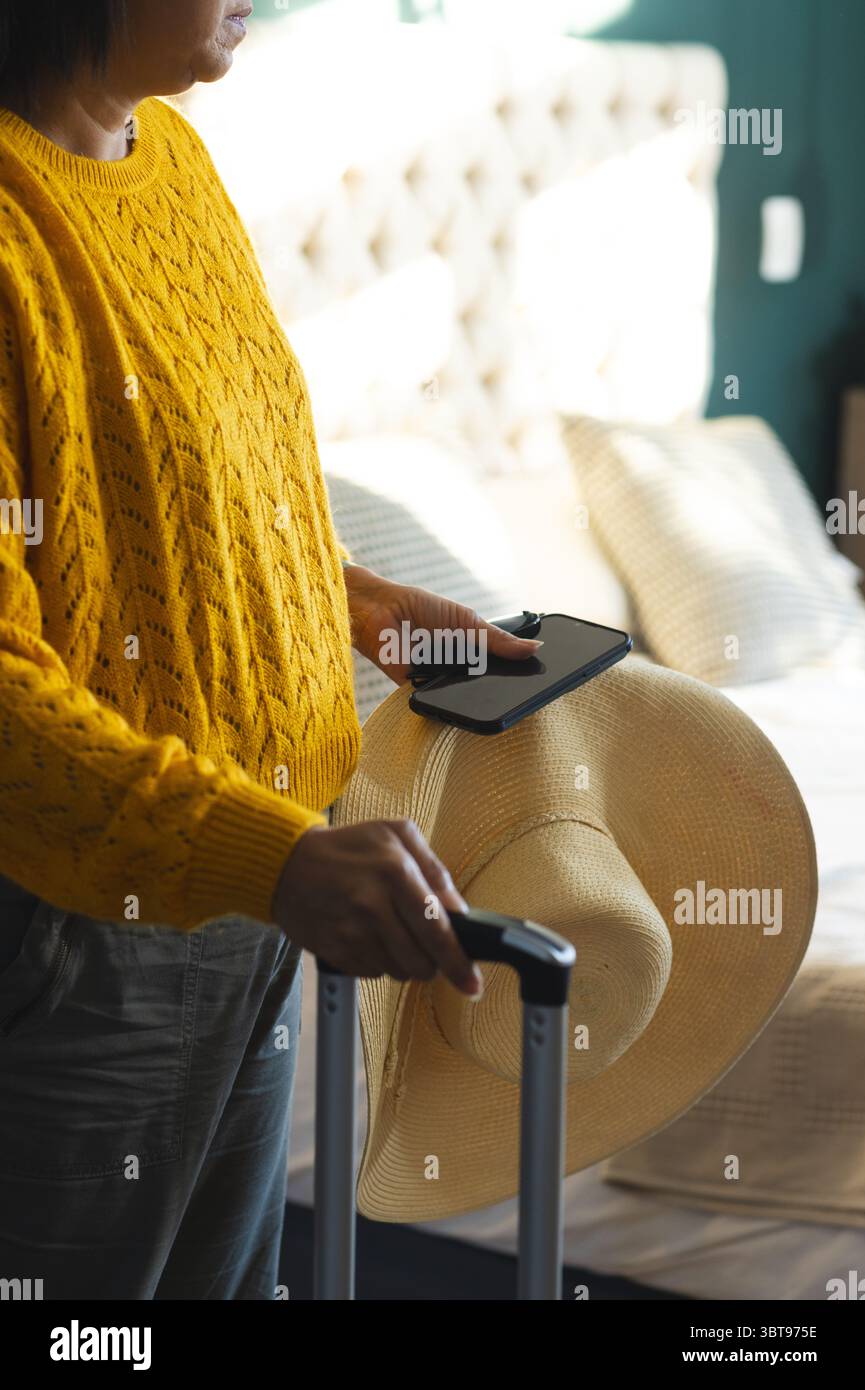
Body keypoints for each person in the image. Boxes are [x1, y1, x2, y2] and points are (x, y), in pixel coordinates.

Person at [0, 0, 541, 1299]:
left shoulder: (171, 159)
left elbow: (208, 489)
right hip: (89, 931)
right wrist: (270, 853)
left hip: (253, 893)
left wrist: (354, 605)